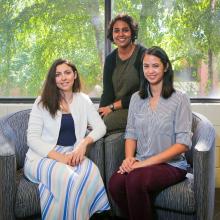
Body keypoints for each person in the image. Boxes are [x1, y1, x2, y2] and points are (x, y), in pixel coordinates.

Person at [108, 46, 192, 220]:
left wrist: (143, 165)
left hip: (172, 165)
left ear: (166, 67)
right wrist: (129, 158)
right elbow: (131, 133)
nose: (150, 71)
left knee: (135, 180)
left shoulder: (180, 98)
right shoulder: (136, 99)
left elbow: (183, 144)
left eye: (155, 66)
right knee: (115, 183)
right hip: (141, 160)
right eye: (146, 66)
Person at [24, 59, 110, 220]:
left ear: (75, 75)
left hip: (72, 153)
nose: (63, 78)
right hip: (41, 158)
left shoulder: (83, 100)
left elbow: (101, 127)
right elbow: (32, 139)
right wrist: (61, 158)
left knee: (92, 173)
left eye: (67, 73)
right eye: (58, 74)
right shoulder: (41, 102)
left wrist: (84, 144)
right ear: (53, 79)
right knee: (70, 180)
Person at [98, 14, 146, 133]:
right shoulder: (110, 59)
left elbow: (143, 93)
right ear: (112, 34)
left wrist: (112, 107)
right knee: (94, 123)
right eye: (116, 31)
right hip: (115, 109)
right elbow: (107, 93)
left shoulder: (143, 54)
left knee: (103, 125)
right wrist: (100, 113)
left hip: (138, 108)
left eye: (125, 30)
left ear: (132, 33)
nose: (121, 34)